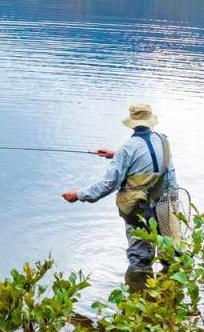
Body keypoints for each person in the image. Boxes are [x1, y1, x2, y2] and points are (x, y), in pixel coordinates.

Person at [61, 103, 176, 291]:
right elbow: (153, 161)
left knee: (140, 259)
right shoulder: (163, 140)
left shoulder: (127, 149)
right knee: (170, 252)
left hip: (141, 207)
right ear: (150, 121)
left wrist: (78, 195)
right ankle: (168, 297)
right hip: (166, 203)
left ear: (132, 124)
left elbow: (109, 184)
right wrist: (116, 155)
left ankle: (138, 298)